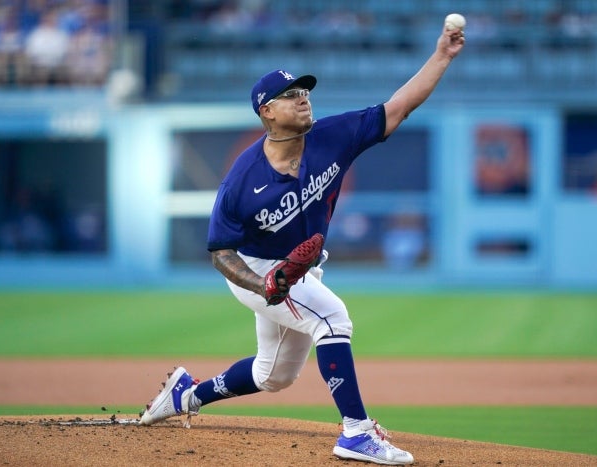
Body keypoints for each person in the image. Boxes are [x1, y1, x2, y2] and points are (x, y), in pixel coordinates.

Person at [139, 21, 465, 466]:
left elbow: (400, 106)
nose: (303, 97)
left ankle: (188, 394)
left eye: (305, 91)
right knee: (332, 318)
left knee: (272, 375)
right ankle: (357, 433)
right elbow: (220, 252)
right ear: (267, 111)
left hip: (299, 270)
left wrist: (442, 56)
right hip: (257, 268)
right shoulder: (242, 179)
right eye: (291, 95)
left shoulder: (334, 137)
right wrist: (261, 285)